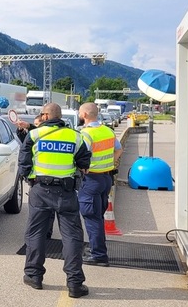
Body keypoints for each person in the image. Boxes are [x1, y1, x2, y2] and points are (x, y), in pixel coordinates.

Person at [19, 102, 92, 298]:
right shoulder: (75, 137)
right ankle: (75, 283)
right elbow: (85, 162)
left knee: (35, 234)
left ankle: (34, 276)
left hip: (40, 190)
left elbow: (24, 162)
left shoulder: (34, 135)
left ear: (44, 116)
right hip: (66, 192)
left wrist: (30, 178)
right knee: (72, 236)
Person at [77, 102, 123, 267]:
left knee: (92, 217)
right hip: (106, 179)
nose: (79, 114)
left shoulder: (85, 134)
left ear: (85, 115)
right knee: (98, 215)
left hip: (91, 180)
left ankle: (98, 255)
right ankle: (97, 249)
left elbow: (80, 157)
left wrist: (84, 169)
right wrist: (110, 163)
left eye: (79, 112)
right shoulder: (108, 131)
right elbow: (119, 149)